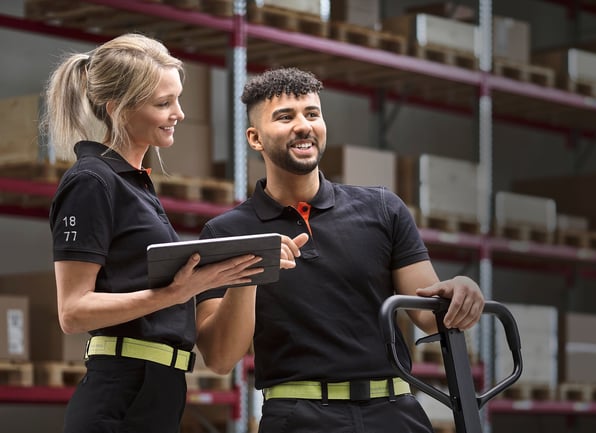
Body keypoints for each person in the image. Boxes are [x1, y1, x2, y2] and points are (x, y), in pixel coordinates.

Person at [195, 67, 485, 433]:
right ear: (255, 138)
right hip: (298, 416)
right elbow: (220, 358)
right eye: (285, 117)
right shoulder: (224, 233)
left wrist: (461, 289)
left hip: (394, 412)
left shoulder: (383, 209)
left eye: (312, 114)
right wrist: (247, 274)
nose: (303, 126)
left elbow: (430, 315)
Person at [46, 33, 285, 433]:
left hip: (156, 387)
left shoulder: (134, 184)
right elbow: (73, 311)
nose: (179, 113)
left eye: (177, 99)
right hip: (123, 391)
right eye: (163, 103)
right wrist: (176, 293)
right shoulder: (92, 181)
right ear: (117, 108)